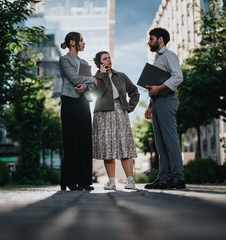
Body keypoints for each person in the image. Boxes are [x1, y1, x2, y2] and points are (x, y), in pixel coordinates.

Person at [144, 27, 186, 190]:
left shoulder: (169, 56)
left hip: (167, 100)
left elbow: (178, 77)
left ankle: (177, 178)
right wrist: (150, 105)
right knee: (160, 143)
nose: (149, 42)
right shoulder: (157, 59)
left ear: (160, 39)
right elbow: (155, 84)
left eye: (151, 39)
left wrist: (159, 89)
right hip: (158, 102)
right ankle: (164, 177)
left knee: (170, 141)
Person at [92, 51, 140, 190]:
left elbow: (134, 92)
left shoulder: (121, 76)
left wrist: (129, 107)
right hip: (103, 115)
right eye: (105, 59)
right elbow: (97, 93)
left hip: (120, 113)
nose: (108, 60)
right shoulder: (95, 77)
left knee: (124, 146)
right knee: (108, 149)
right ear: (99, 63)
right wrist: (102, 75)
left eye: (109, 58)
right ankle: (111, 182)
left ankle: (130, 181)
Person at [59, 32, 96, 191]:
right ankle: (69, 180)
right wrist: (92, 79)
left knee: (85, 141)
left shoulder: (84, 62)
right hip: (69, 101)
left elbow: (92, 86)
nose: (84, 43)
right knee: (71, 140)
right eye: (81, 40)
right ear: (72, 42)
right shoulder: (64, 59)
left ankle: (85, 181)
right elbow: (74, 78)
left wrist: (87, 86)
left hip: (83, 102)